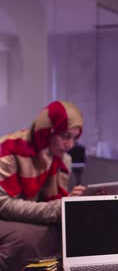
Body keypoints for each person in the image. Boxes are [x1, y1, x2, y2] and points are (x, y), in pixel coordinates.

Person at [0, 101, 85, 271]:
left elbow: (51, 202)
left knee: (72, 231)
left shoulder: (61, 159)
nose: (71, 145)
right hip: (4, 216)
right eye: (66, 136)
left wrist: (69, 202)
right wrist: (57, 209)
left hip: (26, 216)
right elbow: (3, 204)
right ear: (47, 131)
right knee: (28, 237)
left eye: (75, 138)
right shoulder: (8, 150)